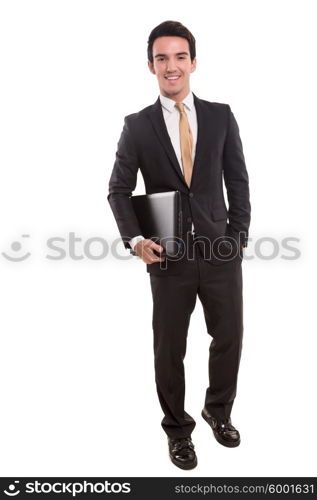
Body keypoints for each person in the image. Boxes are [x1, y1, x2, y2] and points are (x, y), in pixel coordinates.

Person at [108, 20, 251, 470]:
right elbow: (117, 188)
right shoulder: (138, 126)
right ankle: (177, 430)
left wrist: (237, 239)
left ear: (193, 61)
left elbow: (238, 180)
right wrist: (135, 240)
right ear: (150, 65)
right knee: (170, 347)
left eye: (180, 56)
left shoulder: (220, 115)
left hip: (220, 252)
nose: (172, 66)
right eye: (162, 58)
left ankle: (218, 410)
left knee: (228, 337)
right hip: (167, 256)